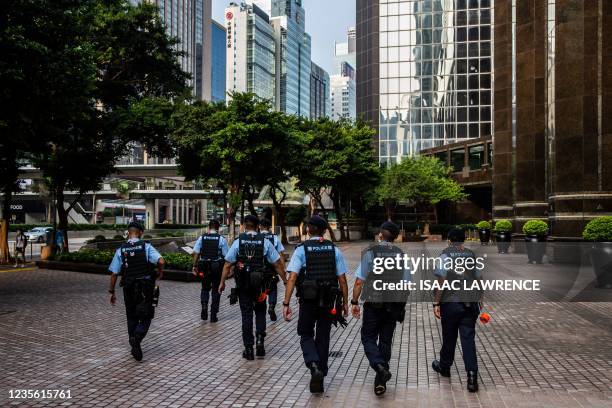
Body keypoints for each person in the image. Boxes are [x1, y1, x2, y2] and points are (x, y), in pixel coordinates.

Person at [282, 215, 349, 394]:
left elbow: (292, 277)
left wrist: (286, 303)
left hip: (307, 300)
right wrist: (345, 304)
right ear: (325, 231)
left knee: (305, 333)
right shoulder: (334, 250)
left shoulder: (301, 250)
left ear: (308, 229)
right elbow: (342, 279)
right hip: (328, 300)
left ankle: (313, 365)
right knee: (323, 336)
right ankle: (321, 372)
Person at [350, 221, 410, 396]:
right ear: (396, 237)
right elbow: (406, 285)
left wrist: (354, 302)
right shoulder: (402, 256)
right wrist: (401, 307)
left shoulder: (371, 253)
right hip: (393, 304)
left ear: (380, 235)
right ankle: (380, 380)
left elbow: (360, 281)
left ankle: (378, 365)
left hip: (373, 304)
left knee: (368, 337)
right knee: (385, 340)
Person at [219, 215, 286, 360]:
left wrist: (222, 282)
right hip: (260, 285)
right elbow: (277, 263)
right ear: (257, 227)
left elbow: (227, 264)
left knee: (246, 315)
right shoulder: (265, 242)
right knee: (261, 312)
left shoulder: (238, 242)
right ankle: (260, 341)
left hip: (243, 285)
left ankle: (248, 349)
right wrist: (285, 280)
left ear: (243, 226)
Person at [431, 228, 483, 392]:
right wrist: (480, 300)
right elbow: (479, 278)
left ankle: (444, 367)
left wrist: (436, 303)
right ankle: (472, 377)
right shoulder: (471, 255)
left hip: (450, 303)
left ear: (449, 240)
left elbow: (442, 280)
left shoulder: (445, 255)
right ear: (464, 240)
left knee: (449, 336)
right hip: (469, 302)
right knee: (468, 338)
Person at [108, 222, 165, 362]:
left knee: (131, 315)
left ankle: (133, 342)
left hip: (128, 286)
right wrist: (160, 273)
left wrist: (112, 291)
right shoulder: (146, 247)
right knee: (146, 315)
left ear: (128, 233)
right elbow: (161, 261)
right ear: (139, 233)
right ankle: (137, 337)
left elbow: (114, 273)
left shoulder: (121, 250)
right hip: (145, 286)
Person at [192, 219, 229, 322]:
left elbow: (196, 253)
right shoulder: (221, 239)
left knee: (205, 288)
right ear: (218, 228)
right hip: (216, 267)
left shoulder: (201, 238)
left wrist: (194, 265)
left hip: (203, 266)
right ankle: (213, 315)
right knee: (216, 289)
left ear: (208, 227)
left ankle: (204, 305)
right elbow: (227, 256)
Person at [258, 217, 285, 321]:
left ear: (260, 226)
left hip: (259, 269)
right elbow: (281, 254)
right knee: (273, 288)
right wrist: (283, 268)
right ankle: (271, 306)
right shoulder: (274, 237)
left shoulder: (257, 237)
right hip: (272, 268)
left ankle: (261, 308)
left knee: (260, 289)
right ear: (269, 227)